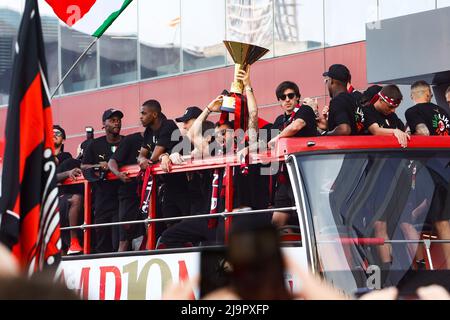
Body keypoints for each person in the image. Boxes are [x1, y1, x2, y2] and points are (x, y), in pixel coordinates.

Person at [405, 81, 450, 269]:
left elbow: (423, 132)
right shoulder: (443, 112)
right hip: (447, 165)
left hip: (432, 170)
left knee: (439, 221)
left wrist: (409, 135)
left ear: (412, 96)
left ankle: (428, 268)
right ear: (429, 94)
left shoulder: (412, 112)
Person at [267, 81, 317, 229]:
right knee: (276, 222)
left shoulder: (305, 110)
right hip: (286, 176)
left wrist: (278, 138)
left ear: (297, 97)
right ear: (279, 102)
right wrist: (246, 150)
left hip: (305, 173)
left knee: (309, 215)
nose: (287, 99)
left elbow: (297, 125)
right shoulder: (279, 120)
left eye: (290, 95)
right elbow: (265, 141)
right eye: (283, 97)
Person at [137, 100, 189, 231]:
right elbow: (141, 156)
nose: (140, 116)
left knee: (186, 219)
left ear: (154, 114)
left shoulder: (168, 125)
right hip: (167, 184)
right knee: (168, 219)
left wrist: (146, 160)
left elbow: (153, 157)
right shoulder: (149, 130)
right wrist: (142, 160)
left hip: (183, 183)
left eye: (144, 113)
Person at [81, 108, 124, 253]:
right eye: (112, 120)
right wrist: (98, 165)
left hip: (122, 197)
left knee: (119, 239)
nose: (116, 123)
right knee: (102, 238)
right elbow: (83, 165)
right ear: (103, 124)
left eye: (118, 120)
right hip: (102, 198)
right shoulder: (94, 144)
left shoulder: (126, 142)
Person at [108, 131, 144, 252]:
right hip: (129, 193)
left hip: (150, 194)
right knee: (124, 239)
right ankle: (118, 266)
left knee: (148, 233)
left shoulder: (160, 139)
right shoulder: (131, 139)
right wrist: (118, 174)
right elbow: (112, 161)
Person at [53, 125, 83, 255]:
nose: (54, 134)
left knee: (77, 198)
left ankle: (74, 241)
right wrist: (66, 173)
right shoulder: (40, 160)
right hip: (46, 199)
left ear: (64, 139)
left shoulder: (66, 158)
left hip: (63, 196)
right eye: (50, 132)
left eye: (58, 133)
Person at [322, 64, 359, 135]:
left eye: (327, 80)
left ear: (331, 80)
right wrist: (328, 125)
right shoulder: (354, 99)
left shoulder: (337, 101)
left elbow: (344, 129)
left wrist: (327, 134)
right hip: (360, 144)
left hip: (346, 145)